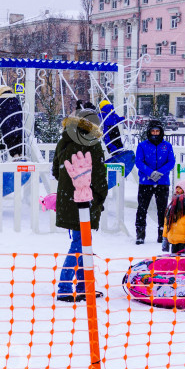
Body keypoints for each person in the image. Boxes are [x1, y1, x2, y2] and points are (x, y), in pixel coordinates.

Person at [53, 107, 108, 303]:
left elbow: (56, 171)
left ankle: (85, 286)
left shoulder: (64, 141)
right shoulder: (92, 143)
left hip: (68, 199)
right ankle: (65, 287)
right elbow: (100, 175)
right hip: (86, 200)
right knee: (79, 244)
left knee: (83, 243)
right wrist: (99, 196)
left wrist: (68, 187)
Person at [134, 120, 176, 245]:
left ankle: (162, 234)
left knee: (162, 209)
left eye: (157, 131)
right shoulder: (142, 146)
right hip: (146, 182)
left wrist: (160, 172)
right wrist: (150, 173)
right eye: (153, 131)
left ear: (161, 132)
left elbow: (171, 161)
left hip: (162, 182)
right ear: (149, 132)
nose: (155, 134)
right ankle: (140, 234)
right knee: (142, 208)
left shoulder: (167, 146)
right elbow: (139, 162)